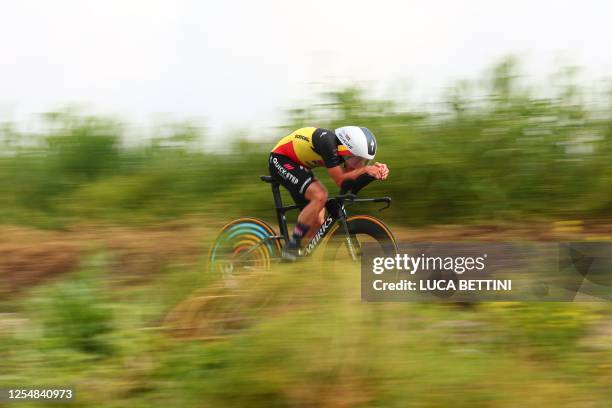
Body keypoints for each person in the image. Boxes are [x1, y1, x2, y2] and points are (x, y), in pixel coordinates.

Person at [268, 126, 389, 260]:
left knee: (318, 222)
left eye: (364, 161)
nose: (359, 165)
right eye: (358, 159)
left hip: (298, 165)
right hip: (280, 159)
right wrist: (366, 170)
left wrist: (374, 174)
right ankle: (292, 245)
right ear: (347, 150)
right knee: (320, 196)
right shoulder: (328, 143)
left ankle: (295, 260)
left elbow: (349, 185)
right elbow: (340, 181)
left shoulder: (341, 151)